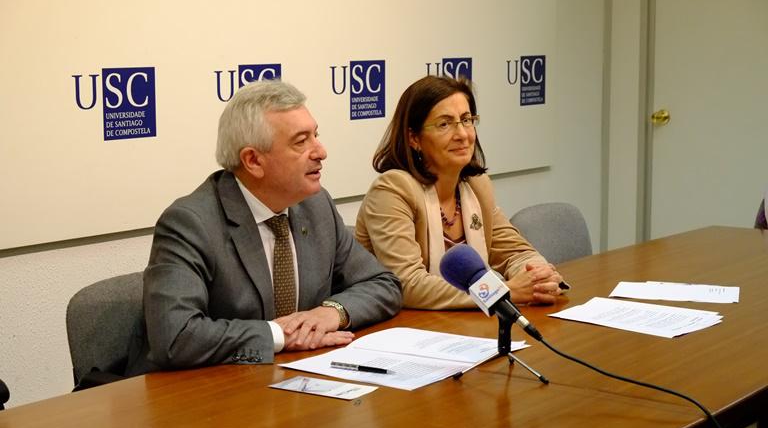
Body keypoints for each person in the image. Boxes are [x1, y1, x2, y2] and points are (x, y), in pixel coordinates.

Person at [126, 80, 402, 375]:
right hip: (203, 389)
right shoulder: (191, 223)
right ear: (253, 160)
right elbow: (175, 335)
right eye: (301, 142)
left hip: (294, 376)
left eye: (316, 136)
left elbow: (383, 284)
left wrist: (332, 312)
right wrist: (280, 335)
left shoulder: (316, 205)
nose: (321, 151)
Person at [355, 75, 566, 309]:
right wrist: (499, 294)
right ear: (414, 138)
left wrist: (538, 276)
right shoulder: (392, 191)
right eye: (444, 124)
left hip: (458, 322)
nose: (463, 135)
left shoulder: (476, 186)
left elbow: (515, 252)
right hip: (398, 325)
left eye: (466, 120)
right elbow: (406, 284)